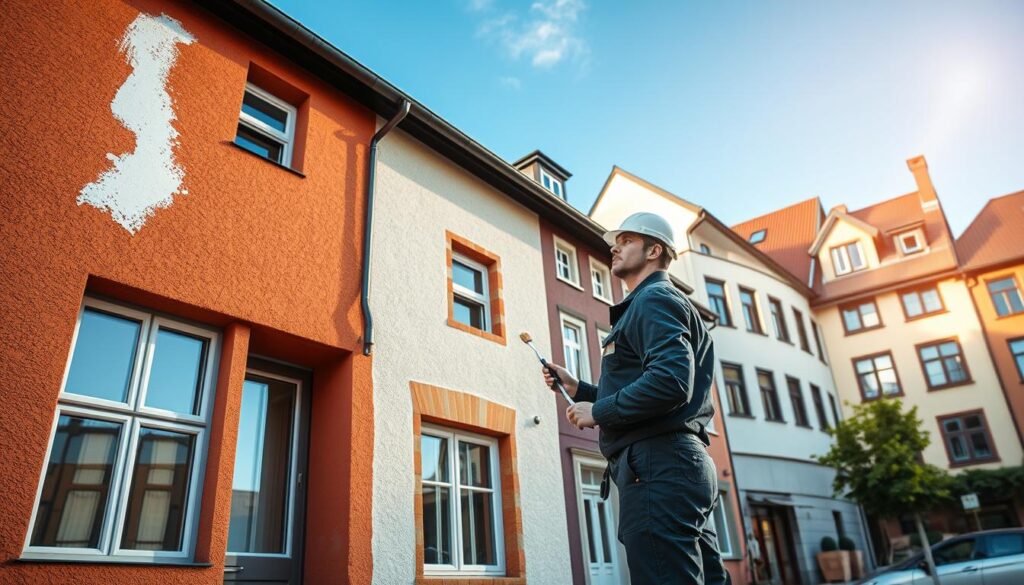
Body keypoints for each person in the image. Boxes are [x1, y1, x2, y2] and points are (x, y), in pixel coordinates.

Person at [542, 211, 729, 585]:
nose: (615, 247)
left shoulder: (653, 300)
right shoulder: (659, 303)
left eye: (626, 240)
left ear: (654, 249)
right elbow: (657, 383)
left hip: (658, 466)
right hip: (675, 464)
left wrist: (599, 410)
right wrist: (580, 389)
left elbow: (671, 382)